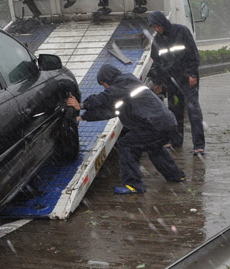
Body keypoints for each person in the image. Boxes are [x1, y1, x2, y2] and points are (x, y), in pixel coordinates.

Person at [68, 64, 184, 194]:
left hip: (154, 124)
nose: (105, 88)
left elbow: (104, 97)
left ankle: (133, 185)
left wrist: (81, 105)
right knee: (154, 147)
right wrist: (82, 117)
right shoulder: (125, 89)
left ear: (108, 79)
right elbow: (111, 111)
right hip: (166, 123)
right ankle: (176, 175)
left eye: (104, 84)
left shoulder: (123, 83)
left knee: (126, 145)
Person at [147, 10, 206, 155]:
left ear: (162, 23)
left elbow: (193, 54)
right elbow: (157, 63)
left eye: (157, 26)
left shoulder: (182, 32)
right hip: (171, 81)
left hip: (187, 79)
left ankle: (198, 145)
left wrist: (192, 74)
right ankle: (175, 140)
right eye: (154, 27)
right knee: (175, 111)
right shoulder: (158, 40)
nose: (156, 29)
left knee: (193, 111)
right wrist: (158, 82)